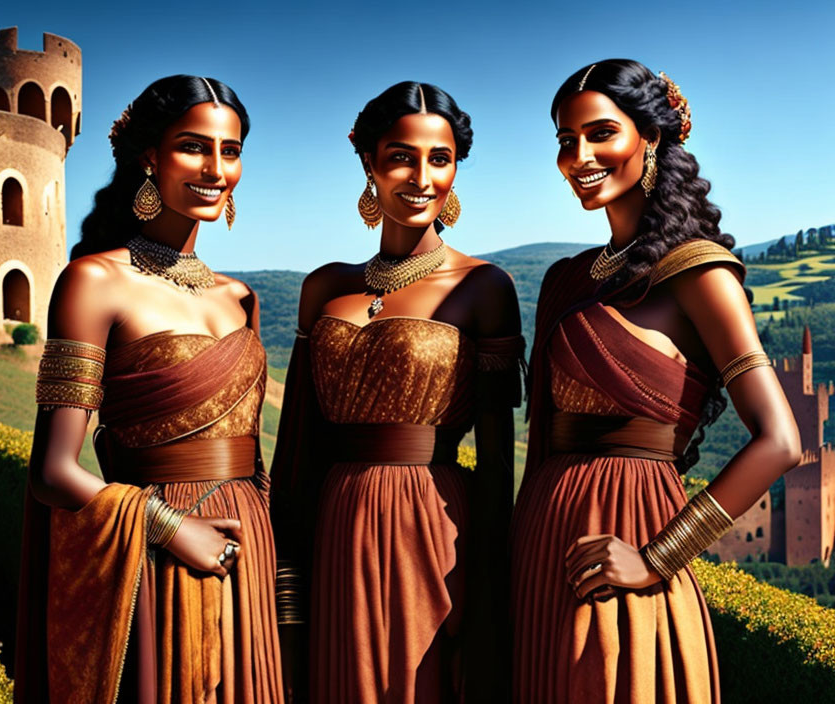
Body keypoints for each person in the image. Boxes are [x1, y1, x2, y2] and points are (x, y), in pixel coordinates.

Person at [510, 59, 801, 703]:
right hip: (541, 547)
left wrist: (656, 558)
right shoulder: (565, 279)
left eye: (600, 134)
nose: (578, 155)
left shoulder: (700, 275)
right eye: (565, 140)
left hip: (629, 548)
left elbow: (780, 440)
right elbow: (542, 441)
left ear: (653, 137)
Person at [14, 75, 283, 704]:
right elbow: (52, 471)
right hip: (159, 553)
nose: (216, 168)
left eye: (232, 150)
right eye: (194, 146)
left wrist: (278, 565)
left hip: (250, 549)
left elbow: (256, 455)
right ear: (148, 155)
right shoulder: (94, 282)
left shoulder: (240, 297)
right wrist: (169, 528)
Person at [270, 81, 524, 703]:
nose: (421, 176)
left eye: (440, 159)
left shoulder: (485, 287)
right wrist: (284, 583)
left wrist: (493, 601)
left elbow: (496, 463)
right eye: (400, 156)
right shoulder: (324, 288)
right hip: (334, 527)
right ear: (367, 162)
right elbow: (298, 448)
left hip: (432, 529)